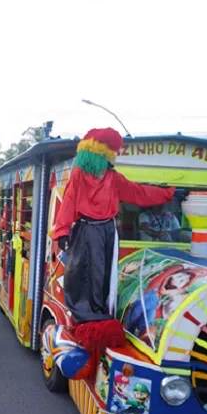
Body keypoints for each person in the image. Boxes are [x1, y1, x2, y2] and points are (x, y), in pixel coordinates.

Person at [52, 128, 174, 377]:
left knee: (105, 274)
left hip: (108, 230)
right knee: (89, 273)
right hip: (88, 229)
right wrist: (62, 232)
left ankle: (100, 312)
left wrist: (166, 193)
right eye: (114, 153)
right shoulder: (80, 174)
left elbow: (137, 192)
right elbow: (70, 200)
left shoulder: (112, 177)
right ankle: (90, 316)